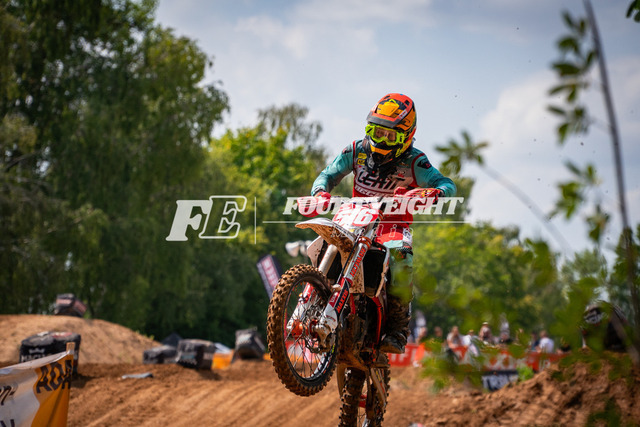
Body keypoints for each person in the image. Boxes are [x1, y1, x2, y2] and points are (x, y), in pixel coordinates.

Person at [310, 93, 456, 353]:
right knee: (322, 243)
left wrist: (432, 193)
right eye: (377, 132)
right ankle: (315, 300)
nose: (381, 141)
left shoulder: (414, 161)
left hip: (393, 227)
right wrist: (320, 192)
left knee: (402, 258)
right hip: (356, 219)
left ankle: (398, 329)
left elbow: (446, 184)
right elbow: (328, 174)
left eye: (390, 136)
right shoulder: (356, 150)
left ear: (407, 136)